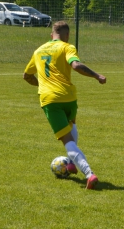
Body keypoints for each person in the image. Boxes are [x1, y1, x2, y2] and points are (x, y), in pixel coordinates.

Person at [23, 21, 106, 189]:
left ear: (51, 34)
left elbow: (27, 76)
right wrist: (97, 75)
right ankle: (72, 164)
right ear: (67, 35)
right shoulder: (67, 47)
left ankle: (89, 174)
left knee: (67, 141)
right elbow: (76, 65)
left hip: (50, 100)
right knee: (71, 126)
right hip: (69, 97)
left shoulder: (38, 50)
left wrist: (42, 85)